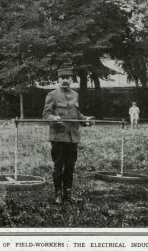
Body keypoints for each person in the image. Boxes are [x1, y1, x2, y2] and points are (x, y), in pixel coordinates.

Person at [43, 67, 94, 205]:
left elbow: (77, 115)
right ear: (58, 79)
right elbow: (46, 115)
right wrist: (53, 119)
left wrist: (86, 119)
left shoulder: (75, 95)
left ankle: (68, 194)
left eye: (68, 78)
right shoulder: (52, 94)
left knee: (70, 166)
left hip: (73, 138)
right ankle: (58, 194)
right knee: (58, 166)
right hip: (58, 137)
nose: (65, 80)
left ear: (72, 80)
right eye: (62, 78)